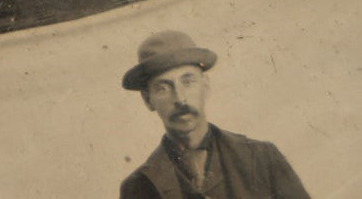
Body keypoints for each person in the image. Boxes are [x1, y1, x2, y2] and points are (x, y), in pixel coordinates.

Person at [119, 31, 310, 199]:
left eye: (188, 81)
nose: (180, 99)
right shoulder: (138, 187)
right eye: (163, 88)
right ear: (147, 100)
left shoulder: (261, 158)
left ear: (206, 85)